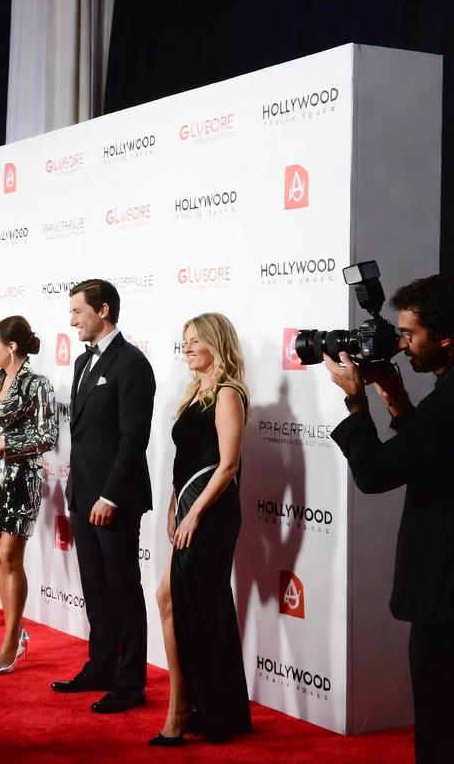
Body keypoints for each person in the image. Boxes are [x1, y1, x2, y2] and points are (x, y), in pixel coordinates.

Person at [323, 274, 454, 764]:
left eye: (409, 335)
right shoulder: (444, 394)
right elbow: (433, 453)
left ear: (445, 337)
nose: (400, 345)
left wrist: (356, 401)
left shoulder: (448, 402)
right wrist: (396, 396)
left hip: (445, 596)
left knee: (439, 723)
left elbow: (375, 473)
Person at [52, 279, 155, 715]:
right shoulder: (82, 361)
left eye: (78, 312)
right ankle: (100, 667)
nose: (72, 320)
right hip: (82, 495)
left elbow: (133, 439)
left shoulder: (132, 363)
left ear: (104, 310)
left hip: (114, 499)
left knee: (123, 590)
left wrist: (110, 496)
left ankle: (130, 682)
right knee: (96, 590)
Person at [152, 313, 251, 745]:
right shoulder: (195, 392)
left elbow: (227, 465)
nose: (188, 347)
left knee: (187, 602)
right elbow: (188, 457)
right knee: (182, 601)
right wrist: (175, 503)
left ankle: (182, 709)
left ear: (216, 343)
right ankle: (210, 706)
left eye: (196, 340)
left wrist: (194, 514)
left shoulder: (228, 393)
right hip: (189, 504)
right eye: (185, 340)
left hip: (211, 512)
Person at [0, 316, 58, 673]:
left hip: (20, 480)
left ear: (12, 347)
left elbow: (48, 435)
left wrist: (1, 443)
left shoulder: (38, 384)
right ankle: (15, 632)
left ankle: (10, 641)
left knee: (10, 556)